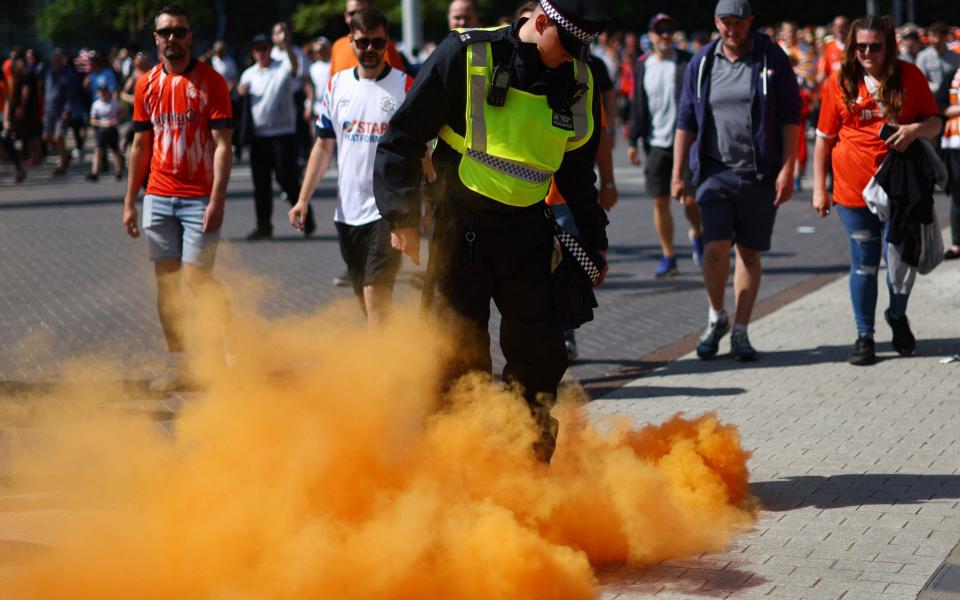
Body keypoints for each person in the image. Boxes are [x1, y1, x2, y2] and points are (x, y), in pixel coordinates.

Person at [374, 0, 609, 462]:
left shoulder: (579, 79)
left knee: (540, 356)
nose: (576, 56)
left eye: (586, 46)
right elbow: (401, 137)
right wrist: (401, 219)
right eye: (569, 43)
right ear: (541, 22)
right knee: (456, 357)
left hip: (529, 232)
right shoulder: (466, 55)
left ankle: (529, 468)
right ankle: (459, 468)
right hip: (460, 230)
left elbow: (579, 174)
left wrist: (594, 240)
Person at [672, 0, 802, 362]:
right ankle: (717, 317)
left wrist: (788, 169)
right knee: (714, 248)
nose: (733, 29)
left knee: (748, 251)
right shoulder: (702, 62)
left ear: (751, 23)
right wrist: (678, 172)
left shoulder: (770, 58)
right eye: (726, 22)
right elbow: (686, 119)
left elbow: (792, 115)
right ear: (716, 23)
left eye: (739, 23)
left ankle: (742, 330)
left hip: (758, 173)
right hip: (714, 172)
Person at [813, 15, 941, 365]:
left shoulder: (910, 76)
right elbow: (823, 140)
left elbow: (935, 122)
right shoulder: (839, 82)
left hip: (900, 187)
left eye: (875, 46)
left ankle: (897, 317)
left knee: (899, 262)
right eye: (861, 47)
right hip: (853, 191)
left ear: (889, 47)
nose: (867, 53)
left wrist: (913, 129)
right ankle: (864, 336)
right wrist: (820, 189)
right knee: (864, 265)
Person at [122, 3, 234, 390]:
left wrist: (217, 199)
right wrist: (129, 202)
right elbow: (139, 145)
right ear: (156, 39)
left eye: (179, 31)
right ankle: (178, 363)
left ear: (190, 37)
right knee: (167, 286)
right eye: (165, 32)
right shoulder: (145, 84)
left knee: (197, 280)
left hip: (199, 198)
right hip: (157, 196)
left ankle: (221, 347)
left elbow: (223, 146)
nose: (173, 38)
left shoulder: (212, 83)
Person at [290, 8, 412, 327]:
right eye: (363, 43)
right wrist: (303, 199)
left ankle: (378, 374)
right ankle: (400, 351)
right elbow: (323, 146)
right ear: (351, 41)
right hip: (348, 212)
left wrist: (417, 212)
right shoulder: (337, 85)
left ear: (388, 42)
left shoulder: (406, 87)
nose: (370, 49)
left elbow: (423, 152)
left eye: (377, 42)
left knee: (375, 294)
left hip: (387, 210)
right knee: (365, 297)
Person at [628, 12, 703, 277]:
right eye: (659, 31)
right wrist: (633, 140)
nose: (665, 36)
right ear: (650, 36)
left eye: (669, 30)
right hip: (655, 143)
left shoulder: (686, 62)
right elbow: (638, 105)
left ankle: (697, 232)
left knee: (690, 199)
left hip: (686, 142)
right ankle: (669, 255)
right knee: (660, 201)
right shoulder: (642, 65)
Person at [238, 32, 315, 240]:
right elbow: (240, 98)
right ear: (253, 52)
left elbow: (295, 67)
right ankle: (264, 226)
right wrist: (240, 92)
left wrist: (287, 45)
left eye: (264, 48)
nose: (261, 52)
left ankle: (307, 219)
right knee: (260, 183)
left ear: (270, 49)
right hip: (259, 137)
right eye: (257, 49)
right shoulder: (249, 74)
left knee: (286, 178)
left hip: (282, 133)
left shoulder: (281, 67)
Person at [328, 0, 407, 75]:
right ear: (346, 16)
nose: (357, 17)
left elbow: (398, 81)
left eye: (363, 12)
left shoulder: (383, 45)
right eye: (353, 13)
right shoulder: (337, 46)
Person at [916, 21, 960, 112]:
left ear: (945, 37)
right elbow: (919, 80)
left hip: (951, 101)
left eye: (936, 36)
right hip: (931, 99)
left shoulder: (955, 57)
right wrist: (938, 89)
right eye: (931, 36)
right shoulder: (923, 56)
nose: (933, 40)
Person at [86, 84, 123, 181]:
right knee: (99, 150)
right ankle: (95, 172)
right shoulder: (96, 104)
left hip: (112, 129)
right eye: (101, 92)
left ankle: (118, 170)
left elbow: (121, 112)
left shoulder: (114, 103)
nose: (103, 94)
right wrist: (101, 123)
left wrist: (117, 120)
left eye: (104, 92)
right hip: (102, 129)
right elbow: (92, 120)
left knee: (115, 150)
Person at [944, 65, 960, 260]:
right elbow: (939, 105)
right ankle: (957, 243)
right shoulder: (952, 74)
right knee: (958, 194)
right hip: (955, 142)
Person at [816, 15, 850, 86]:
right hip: (835, 90)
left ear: (848, 28)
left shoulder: (855, 47)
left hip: (852, 88)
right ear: (833, 28)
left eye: (842, 26)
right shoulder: (828, 47)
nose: (839, 30)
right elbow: (822, 73)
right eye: (836, 26)